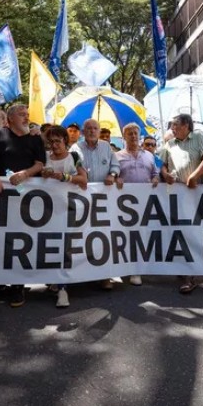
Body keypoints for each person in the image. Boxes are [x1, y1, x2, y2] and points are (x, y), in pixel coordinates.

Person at [0, 103, 45, 307]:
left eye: (27, 115)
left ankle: (18, 285)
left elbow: (40, 164)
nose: (26, 118)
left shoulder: (35, 138)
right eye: (21, 115)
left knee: (20, 238)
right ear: (10, 119)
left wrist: (25, 174)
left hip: (24, 196)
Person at [160, 114, 203, 294]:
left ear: (187, 126)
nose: (172, 129)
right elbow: (162, 164)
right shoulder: (170, 144)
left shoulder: (199, 137)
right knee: (182, 233)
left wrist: (193, 176)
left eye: (176, 126)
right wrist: (166, 174)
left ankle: (198, 274)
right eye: (172, 126)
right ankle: (189, 274)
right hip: (178, 195)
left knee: (196, 232)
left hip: (197, 193)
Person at [70, 118, 122, 290]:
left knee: (104, 237)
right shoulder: (76, 148)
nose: (92, 131)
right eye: (88, 128)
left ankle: (105, 276)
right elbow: (71, 169)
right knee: (83, 237)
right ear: (83, 132)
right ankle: (83, 274)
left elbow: (115, 165)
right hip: (82, 199)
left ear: (99, 131)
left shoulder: (107, 147)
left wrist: (112, 175)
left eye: (95, 128)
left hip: (104, 199)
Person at [41, 125, 89, 308]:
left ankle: (63, 289)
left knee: (65, 247)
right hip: (46, 212)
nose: (54, 145)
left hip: (68, 210)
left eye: (58, 141)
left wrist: (63, 177)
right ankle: (55, 280)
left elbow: (83, 179)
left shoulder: (74, 158)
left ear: (65, 141)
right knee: (50, 246)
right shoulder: (43, 158)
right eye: (51, 141)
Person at [116, 123, 159, 286]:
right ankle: (122, 268)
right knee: (124, 236)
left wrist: (156, 178)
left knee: (141, 236)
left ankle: (136, 270)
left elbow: (155, 173)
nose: (133, 136)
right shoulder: (117, 156)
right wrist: (116, 178)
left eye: (135, 133)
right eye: (130, 134)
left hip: (145, 203)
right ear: (124, 136)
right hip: (123, 204)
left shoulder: (149, 155)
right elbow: (112, 174)